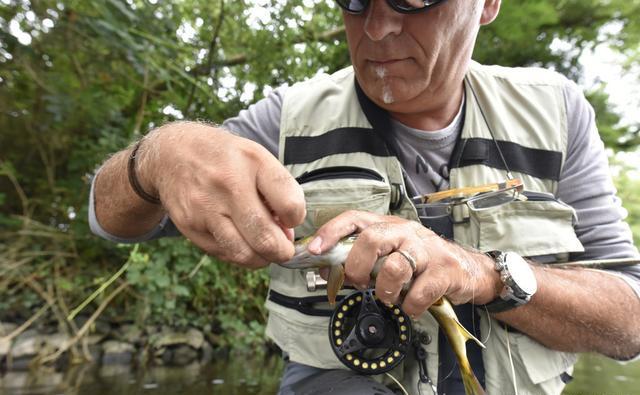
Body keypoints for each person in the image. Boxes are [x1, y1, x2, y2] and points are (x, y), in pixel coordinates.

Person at [89, 0, 640, 394]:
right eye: (354, 1)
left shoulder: (559, 113)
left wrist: (485, 274)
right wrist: (157, 156)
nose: (376, 27)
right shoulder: (283, 122)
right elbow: (106, 218)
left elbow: (630, 320)